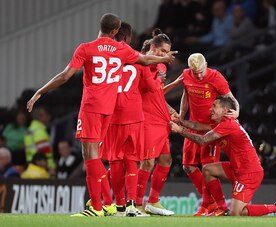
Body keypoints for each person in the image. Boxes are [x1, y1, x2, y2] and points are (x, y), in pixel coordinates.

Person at [26, 13, 177, 217]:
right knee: (103, 157)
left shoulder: (86, 48)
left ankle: (99, 205)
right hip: (110, 110)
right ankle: (107, 203)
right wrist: (163, 58)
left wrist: (40, 91)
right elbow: (143, 59)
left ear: (103, 27)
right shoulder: (122, 49)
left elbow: (65, 76)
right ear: (115, 31)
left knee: (91, 156)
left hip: (91, 107)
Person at [170, 96, 276, 217]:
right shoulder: (222, 124)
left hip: (248, 172)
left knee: (237, 213)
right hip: (236, 168)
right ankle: (222, 208)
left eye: (214, 106)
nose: (210, 109)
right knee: (208, 169)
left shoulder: (228, 124)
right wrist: (181, 122)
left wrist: (180, 130)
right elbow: (197, 127)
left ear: (224, 110)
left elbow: (203, 140)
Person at [99, 22, 155, 217]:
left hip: (112, 114)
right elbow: (153, 88)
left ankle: (119, 206)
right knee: (132, 160)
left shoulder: (106, 57)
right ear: (129, 37)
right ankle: (132, 205)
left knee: (115, 161)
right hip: (133, 115)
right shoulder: (137, 58)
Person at [177, 53, 239, 216]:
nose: (198, 75)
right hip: (192, 124)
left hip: (210, 128)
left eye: (201, 72)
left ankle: (212, 205)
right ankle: (210, 203)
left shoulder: (216, 77)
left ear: (206, 65)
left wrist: (237, 112)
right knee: (188, 167)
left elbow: (231, 98)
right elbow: (185, 96)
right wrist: (181, 115)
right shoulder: (186, 75)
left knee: (207, 167)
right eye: (194, 72)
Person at [135, 29, 178, 216]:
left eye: (167, 51)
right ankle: (135, 204)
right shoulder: (141, 63)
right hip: (147, 119)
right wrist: (161, 67)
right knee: (147, 163)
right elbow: (151, 87)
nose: (164, 55)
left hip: (161, 119)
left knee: (166, 159)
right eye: (161, 50)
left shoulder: (161, 66)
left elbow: (157, 94)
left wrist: (169, 109)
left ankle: (152, 201)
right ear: (152, 47)